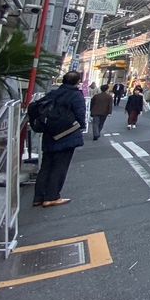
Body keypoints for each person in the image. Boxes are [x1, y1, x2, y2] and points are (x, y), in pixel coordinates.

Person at [33, 71, 86, 207]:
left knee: (46, 165)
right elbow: (80, 114)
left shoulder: (53, 93)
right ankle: (52, 196)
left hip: (50, 133)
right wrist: (80, 126)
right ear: (77, 81)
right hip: (66, 134)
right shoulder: (75, 95)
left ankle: (39, 196)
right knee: (60, 166)